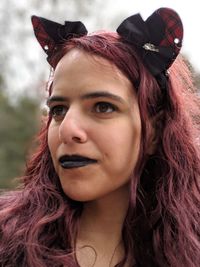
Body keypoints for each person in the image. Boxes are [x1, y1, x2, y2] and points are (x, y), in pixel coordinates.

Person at [0, 7, 199, 267]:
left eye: (103, 107)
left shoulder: (190, 250)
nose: (67, 130)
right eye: (58, 110)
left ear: (154, 132)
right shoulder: (8, 244)